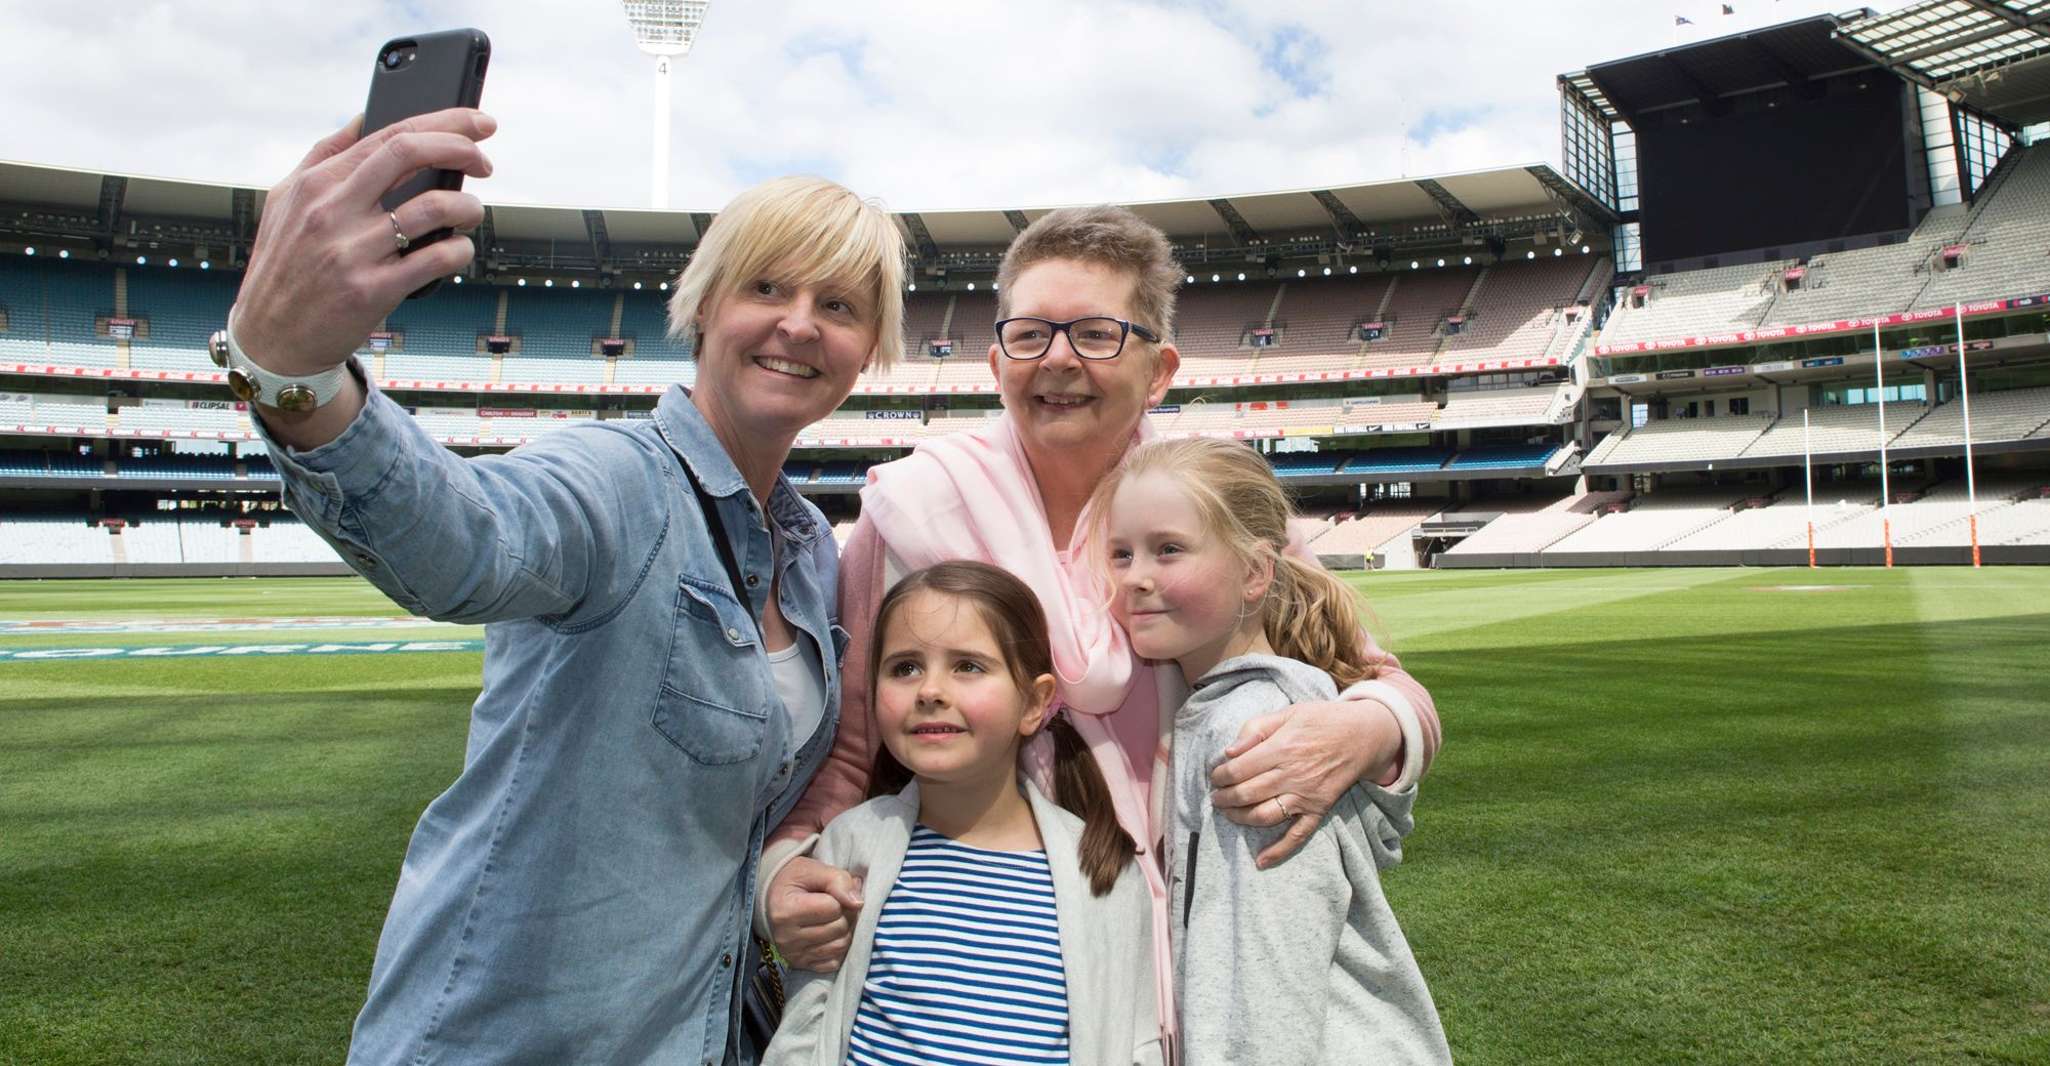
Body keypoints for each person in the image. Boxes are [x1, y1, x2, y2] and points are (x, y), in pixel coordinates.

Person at [229, 107, 905, 1063]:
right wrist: (291, 368)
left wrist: (772, 884)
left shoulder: (809, 555)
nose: (800, 323)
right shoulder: (617, 478)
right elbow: (465, 541)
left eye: (839, 306)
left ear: (868, 347)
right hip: (512, 1035)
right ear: (707, 303)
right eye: (767, 287)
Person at [761, 205, 1443, 1050]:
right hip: (999, 957)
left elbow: (1377, 678)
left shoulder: (1212, 506)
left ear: (1159, 370)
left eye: (1094, 334)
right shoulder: (912, 513)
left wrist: (1366, 725)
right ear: (995, 359)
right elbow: (849, 752)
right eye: (1031, 334)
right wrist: (786, 874)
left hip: (1204, 943)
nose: (1057, 360)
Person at [1096, 437, 1451, 1065]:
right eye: (1120, 554)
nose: (1135, 577)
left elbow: (1259, 981)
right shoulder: (1233, 705)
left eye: (1168, 549)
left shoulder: (1254, 732)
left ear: (1256, 573)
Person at [762, 561, 1160, 1066]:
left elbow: (1135, 1043)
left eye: (967, 666)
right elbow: (806, 1024)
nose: (929, 691)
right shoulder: (853, 845)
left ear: (1034, 703)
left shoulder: (1102, 872)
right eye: (904, 667)